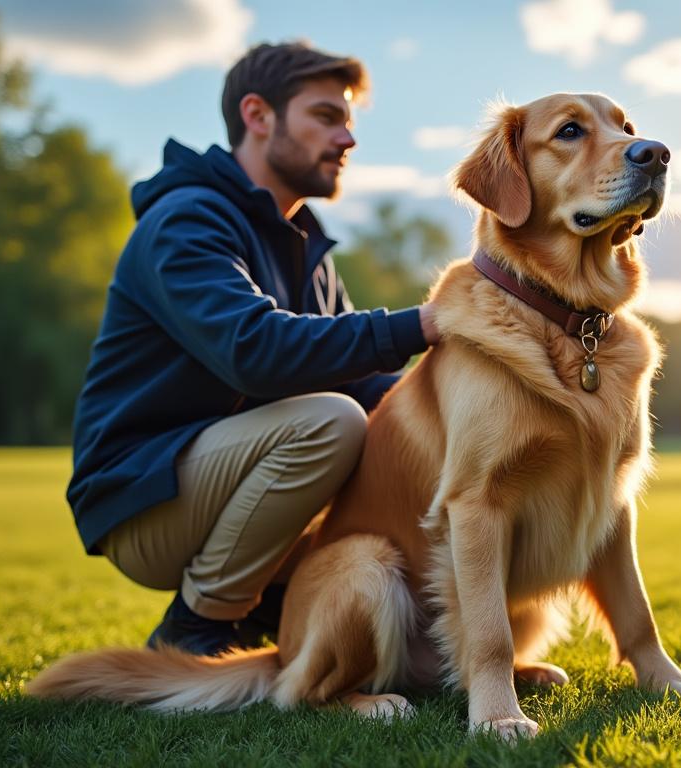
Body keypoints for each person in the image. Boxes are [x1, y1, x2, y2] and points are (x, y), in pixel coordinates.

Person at [65, 41, 437, 656]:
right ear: (259, 116)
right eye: (326, 116)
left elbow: (368, 388)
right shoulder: (186, 221)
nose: (347, 139)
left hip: (224, 483)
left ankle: (275, 610)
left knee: (378, 434)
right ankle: (196, 627)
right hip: (143, 497)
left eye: (348, 121)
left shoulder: (303, 246)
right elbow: (255, 351)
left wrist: (455, 396)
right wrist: (422, 324)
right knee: (330, 423)